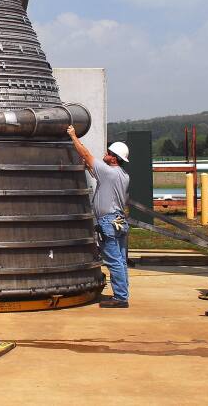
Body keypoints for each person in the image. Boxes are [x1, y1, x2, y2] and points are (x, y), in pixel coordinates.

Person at [67, 125, 131, 308]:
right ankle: (123, 293)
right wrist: (86, 165)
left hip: (109, 222)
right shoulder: (123, 175)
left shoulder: (109, 171)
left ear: (114, 158)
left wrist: (73, 136)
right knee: (120, 259)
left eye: (108, 152)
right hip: (118, 220)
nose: (105, 153)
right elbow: (91, 167)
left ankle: (121, 298)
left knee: (113, 260)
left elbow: (87, 156)